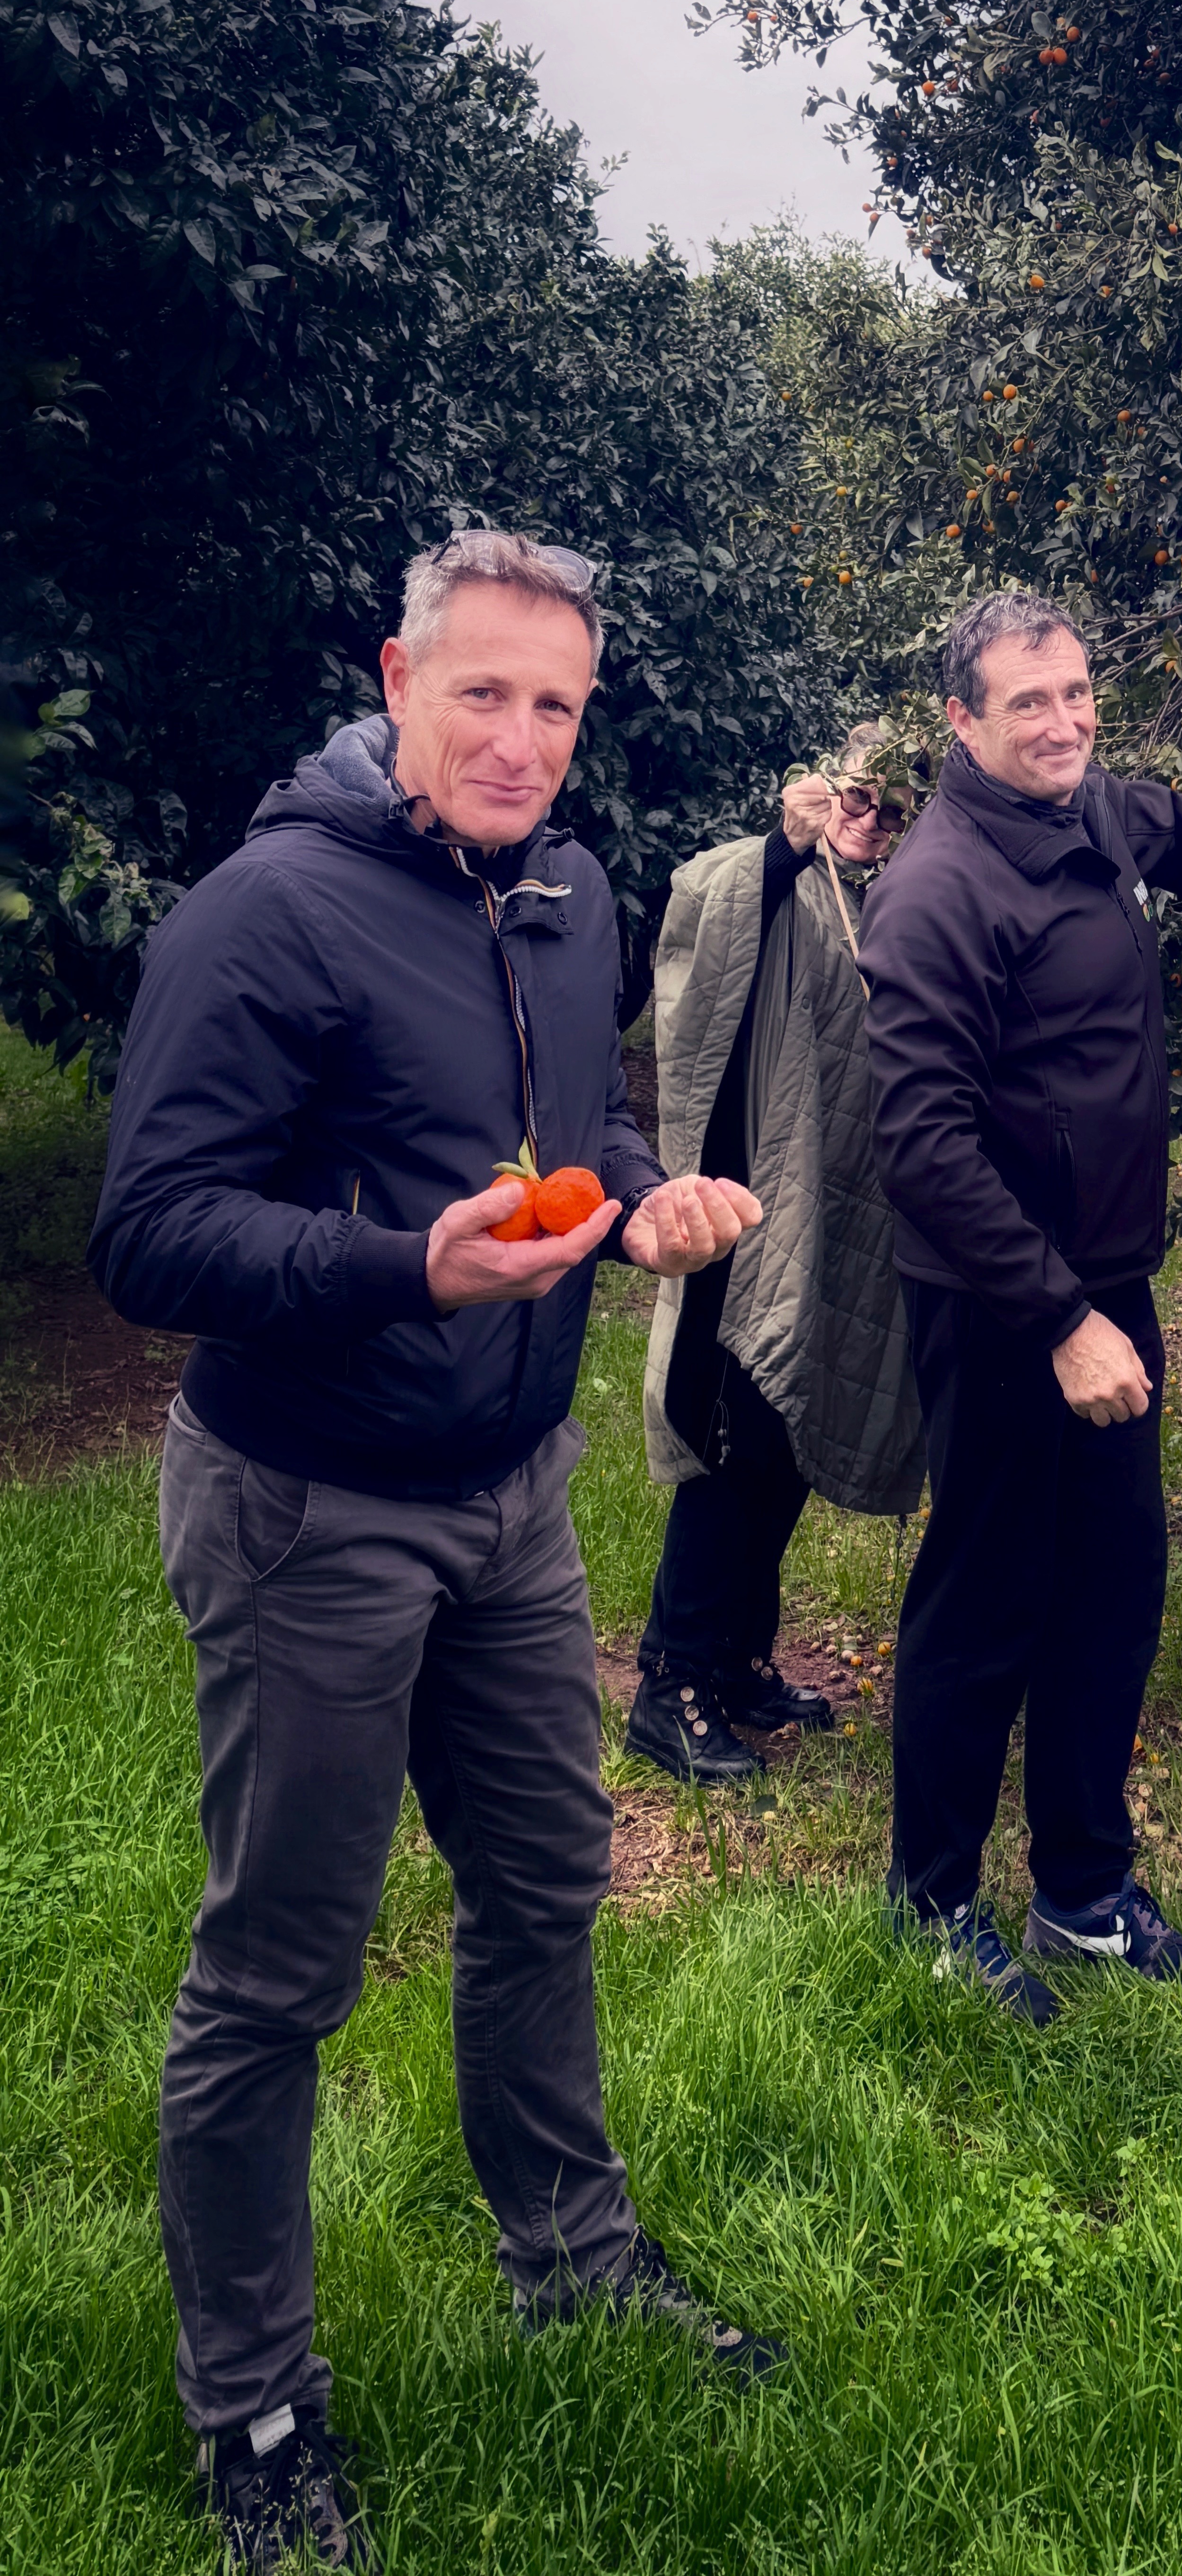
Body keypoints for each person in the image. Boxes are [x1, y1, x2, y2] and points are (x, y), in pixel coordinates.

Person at [88, 532, 780, 2573]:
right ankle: (259, 2419)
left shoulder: (565, 898)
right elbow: (146, 1234)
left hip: (514, 1491)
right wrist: (409, 1265)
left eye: (558, 704)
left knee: (548, 1887)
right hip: (311, 1501)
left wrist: (641, 1194)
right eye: (484, 692)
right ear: (399, 678)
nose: (522, 738)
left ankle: (571, 2256)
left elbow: (579, 1114)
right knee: (280, 1972)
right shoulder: (267, 914)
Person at [856, 589, 1182, 2025]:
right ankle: (932, 1903)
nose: (1062, 722)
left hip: (1101, 1283)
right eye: (1027, 703)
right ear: (961, 722)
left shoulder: (1090, 812)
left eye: (1077, 693)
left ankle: (1084, 1894)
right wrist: (1053, 1319)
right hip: (998, 1303)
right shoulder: (940, 888)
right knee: (986, 1597)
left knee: (1111, 1585)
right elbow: (918, 1140)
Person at [628, 727, 925, 1781]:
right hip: (739, 1214)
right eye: (857, 793)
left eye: (891, 804)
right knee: (733, 1440)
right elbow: (699, 913)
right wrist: (785, 846)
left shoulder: (896, 897)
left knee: (788, 1435)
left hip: (831, 1223)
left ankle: (739, 1662)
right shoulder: (772, 873)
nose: (869, 817)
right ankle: (671, 1687)